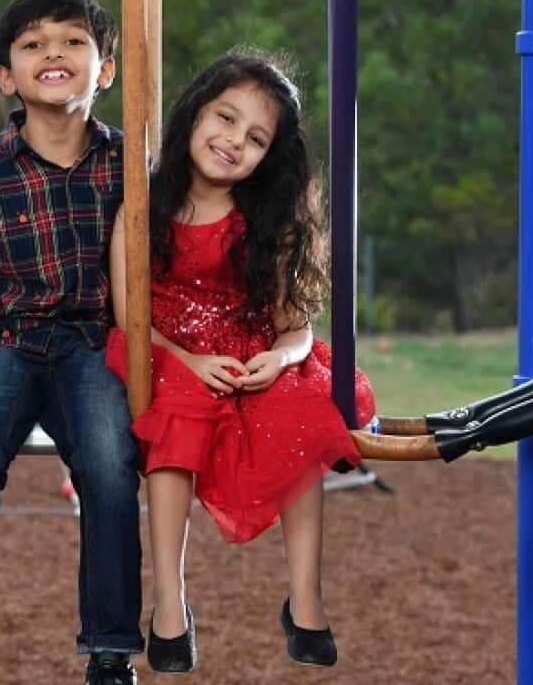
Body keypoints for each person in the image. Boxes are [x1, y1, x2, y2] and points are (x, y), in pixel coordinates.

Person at [104, 49, 377, 673]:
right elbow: (129, 319)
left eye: (254, 138)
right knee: (175, 415)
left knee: (302, 410)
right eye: (224, 118)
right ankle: (169, 601)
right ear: (194, 112)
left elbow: (297, 332)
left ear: (267, 156)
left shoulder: (266, 221)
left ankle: (305, 597)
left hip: (249, 356)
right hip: (165, 353)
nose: (233, 141)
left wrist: (281, 363)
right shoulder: (143, 209)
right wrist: (188, 361)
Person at [0, 0, 143, 685]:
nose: (53, 52)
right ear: (6, 79)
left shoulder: (130, 166)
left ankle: (110, 649)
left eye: (73, 41)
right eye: (32, 45)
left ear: (106, 69)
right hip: (4, 338)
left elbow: (152, 263)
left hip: (92, 339)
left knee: (112, 465)